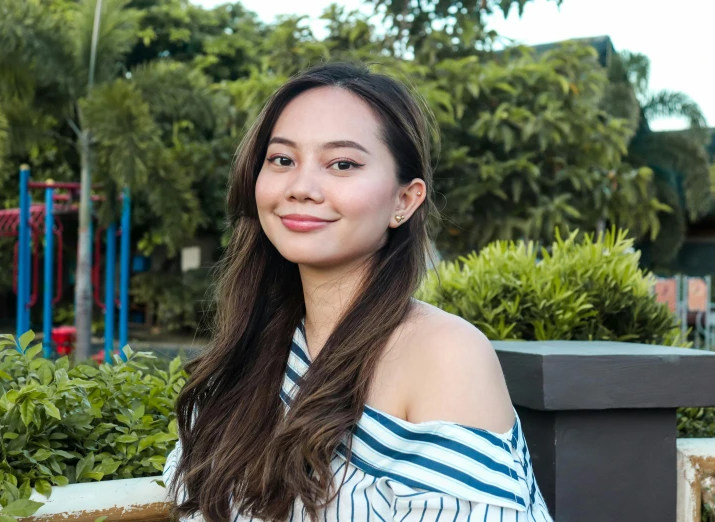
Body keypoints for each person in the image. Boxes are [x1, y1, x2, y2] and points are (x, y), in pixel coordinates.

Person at [163, 61, 552, 522]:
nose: (301, 188)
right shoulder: (257, 349)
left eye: (342, 164)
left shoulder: (443, 355)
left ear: (404, 201)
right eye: (282, 160)